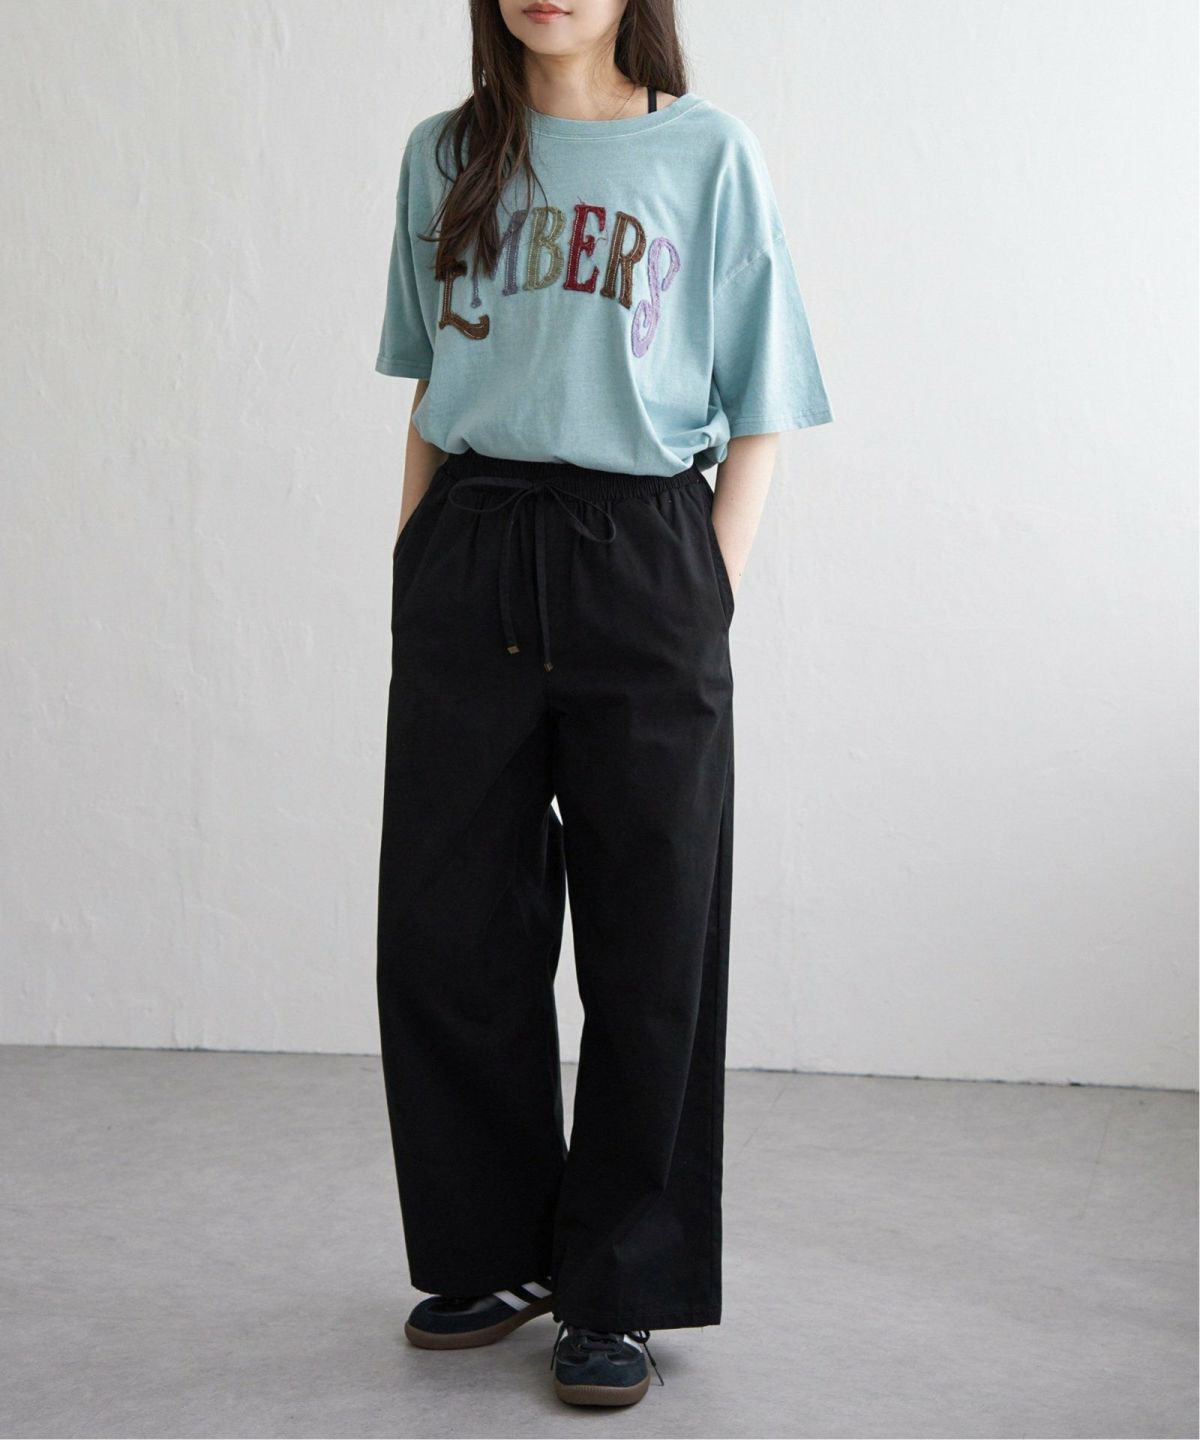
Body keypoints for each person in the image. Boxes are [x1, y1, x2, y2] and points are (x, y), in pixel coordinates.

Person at [373, 0, 831, 1409]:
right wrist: (413, 566)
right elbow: (431, 389)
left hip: (645, 555)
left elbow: (763, 399)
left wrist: (707, 589)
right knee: (449, 924)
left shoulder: (709, 154)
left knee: (653, 936)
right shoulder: (443, 153)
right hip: (473, 545)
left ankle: (618, 1284)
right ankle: (492, 1250)